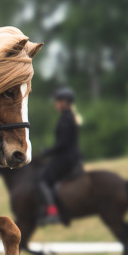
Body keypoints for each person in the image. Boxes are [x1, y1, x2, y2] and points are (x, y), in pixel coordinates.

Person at [38, 87, 83, 224]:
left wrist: (47, 152)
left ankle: (52, 213)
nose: (55, 104)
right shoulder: (71, 116)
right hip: (71, 156)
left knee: (43, 180)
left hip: (65, 157)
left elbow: (62, 144)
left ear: (65, 102)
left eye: (58, 101)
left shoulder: (65, 119)